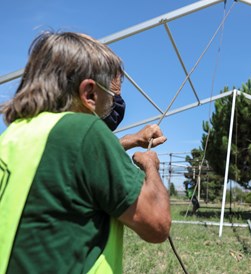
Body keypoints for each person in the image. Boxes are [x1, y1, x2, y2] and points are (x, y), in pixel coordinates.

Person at [0, 31, 171, 274]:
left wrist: (130, 140)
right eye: (112, 96)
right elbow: (158, 224)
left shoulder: (12, 137)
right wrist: (150, 164)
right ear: (89, 93)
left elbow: (68, 162)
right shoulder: (85, 131)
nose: (114, 105)